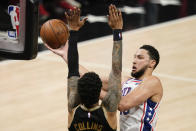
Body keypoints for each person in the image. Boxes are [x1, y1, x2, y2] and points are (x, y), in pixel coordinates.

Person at [44, 5, 123, 131]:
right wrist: (117, 31)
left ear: (78, 92)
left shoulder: (73, 107)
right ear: (100, 94)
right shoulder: (109, 110)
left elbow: (73, 70)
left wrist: (73, 30)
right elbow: (116, 70)